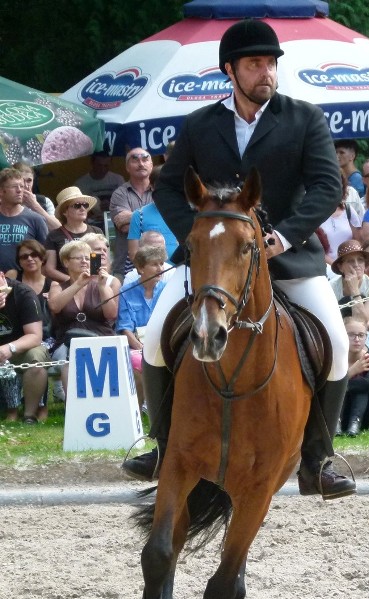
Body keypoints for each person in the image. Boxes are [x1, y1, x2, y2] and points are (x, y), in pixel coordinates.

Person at [125, 19, 355, 498]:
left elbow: (327, 187)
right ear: (229, 70)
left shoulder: (304, 118)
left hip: (285, 259)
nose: (265, 72)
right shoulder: (199, 124)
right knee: (152, 341)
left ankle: (318, 459)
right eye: (254, 64)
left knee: (336, 342)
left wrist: (285, 237)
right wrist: (197, 236)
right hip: (213, 262)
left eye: (270, 63)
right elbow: (169, 187)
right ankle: (163, 448)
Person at [47, 240, 120, 396]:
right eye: (78, 258)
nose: (84, 261)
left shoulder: (101, 284)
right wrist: (78, 284)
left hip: (101, 337)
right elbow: (55, 306)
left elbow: (111, 314)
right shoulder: (57, 285)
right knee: (71, 360)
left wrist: (102, 286)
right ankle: (73, 406)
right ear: (66, 262)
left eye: (88, 258)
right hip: (68, 342)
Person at [116, 244, 168, 410]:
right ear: (140, 267)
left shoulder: (167, 290)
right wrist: (140, 347)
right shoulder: (125, 292)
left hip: (163, 344)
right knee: (138, 362)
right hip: (136, 345)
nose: (160, 268)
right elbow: (125, 327)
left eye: (161, 263)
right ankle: (138, 409)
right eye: (154, 264)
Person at [0, 268, 50, 423]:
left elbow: (35, 335)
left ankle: (30, 414)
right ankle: (10, 411)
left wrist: (10, 348)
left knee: (35, 359)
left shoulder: (22, 293)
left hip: (21, 346)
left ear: (2, 276)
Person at [329, 240, 369, 355]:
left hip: (368, 335)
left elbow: (363, 321)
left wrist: (354, 291)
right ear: (340, 267)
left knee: (358, 344)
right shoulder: (331, 287)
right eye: (350, 261)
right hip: (340, 333)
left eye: (360, 260)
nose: (356, 264)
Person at [110, 148, 154, 277]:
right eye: (135, 160)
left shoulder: (162, 191)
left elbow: (168, 221)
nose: (141, 164)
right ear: (127, 167)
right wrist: (156, 219)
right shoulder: (119, 194)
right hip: (126, 268)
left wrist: (133, 217)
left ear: (152, 165)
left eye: (145, 159)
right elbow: (125, 227)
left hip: (161, 264)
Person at [340, 317, 369, 436]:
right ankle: (338, 423)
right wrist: (352, 371)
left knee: (362, 387)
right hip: (342, 411)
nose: (357, 339)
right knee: (356, 384)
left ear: (366, 337)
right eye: (351, 335)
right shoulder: (336, 359)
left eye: (361, 335)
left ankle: (354, 424)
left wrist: (343, 384)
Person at [43, 186, 100, 283]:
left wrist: (90, 281)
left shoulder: (96, 231)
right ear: (65, 211)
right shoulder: (54, 236)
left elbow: (98, 263)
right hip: (66, 286)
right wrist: (73, 282)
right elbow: (49, 269)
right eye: (77, 205)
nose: (82, 208)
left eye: (85, 205)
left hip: (91, 284)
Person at [0, 168, 49, 275]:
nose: (19, 190)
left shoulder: (36, 219)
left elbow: (45, 256)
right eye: (14, 187)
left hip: (24, 283)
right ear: (1, 191)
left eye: (21, 186)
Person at [126, 166, 179, 265]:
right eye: (161, 186)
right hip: (152, 274)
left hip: (182, 271)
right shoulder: (139, 215)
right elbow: (133, 253)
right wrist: (146, 273)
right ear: (152, 187)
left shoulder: (184, 212)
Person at [319, 173, 362, 263]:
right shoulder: (312, 214)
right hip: (325, 267)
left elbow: (358, 242)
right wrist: (336, 267)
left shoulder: (348, 210)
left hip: (349, 265)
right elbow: (314, 249)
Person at [75, 152, 125, 222]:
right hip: (92, 222)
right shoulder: (81, 183)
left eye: (106, 166)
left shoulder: (118, 179)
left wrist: (111, 205)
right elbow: (77, 210)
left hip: (116, 219)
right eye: (99, 165)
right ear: (92, 163)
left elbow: (125, 204)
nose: (102, 169)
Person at [11, 162, 58, 231]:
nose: (26, 185)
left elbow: (58, 229)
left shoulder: (44, 201)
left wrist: (35, 206)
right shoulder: (5, 202)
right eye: (22, 180)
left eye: (29, 180)